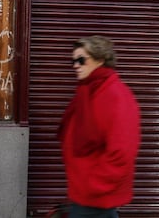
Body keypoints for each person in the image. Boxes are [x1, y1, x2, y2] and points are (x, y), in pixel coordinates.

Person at [57, 35, 141, 218]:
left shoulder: (115, 95)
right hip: (84, 194)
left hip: (95, 197)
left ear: (101, 60)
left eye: (81, 60)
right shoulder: (89, 91)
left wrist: (93, 184)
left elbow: (122, 152)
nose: (75, 65)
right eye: (73, 60)